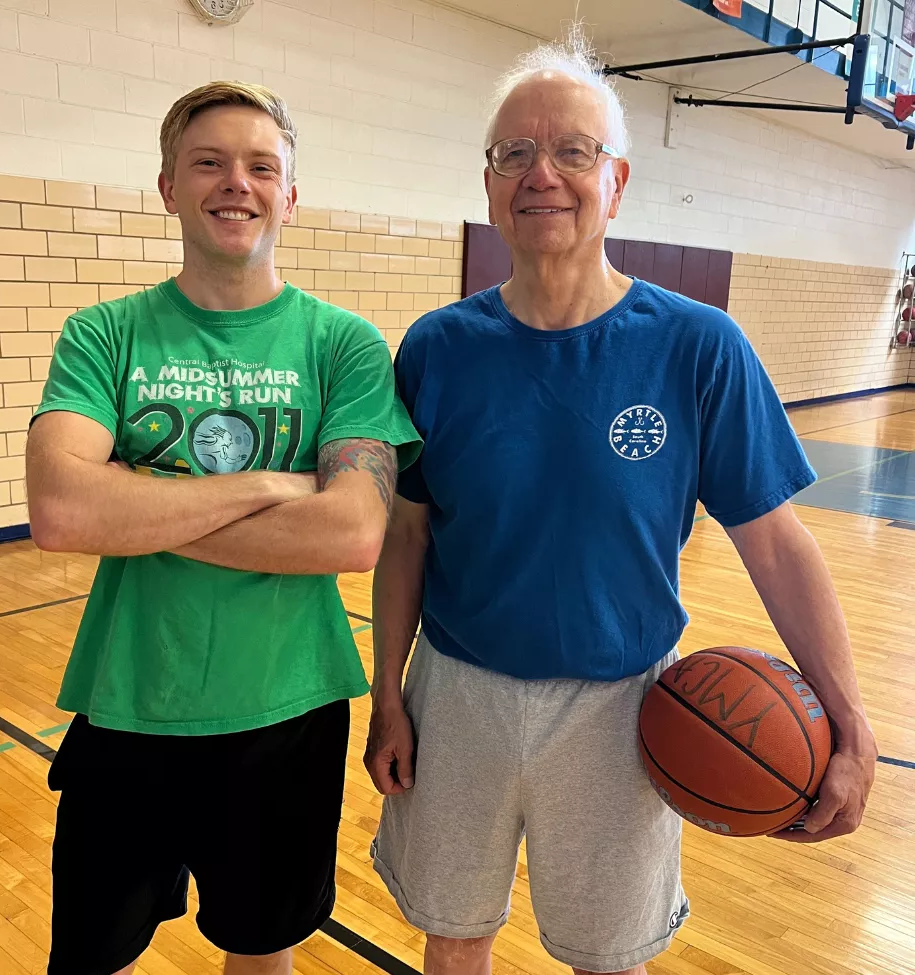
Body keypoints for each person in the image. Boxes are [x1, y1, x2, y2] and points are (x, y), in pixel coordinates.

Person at [363, 33, 879, 975]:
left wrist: (849, 717)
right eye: (514, 153)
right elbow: (408, 532)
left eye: (572, 151)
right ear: (488, 185)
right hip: (458, 689)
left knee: (610, 957)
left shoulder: (698, 346)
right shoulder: (437, 346)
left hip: (624, 706)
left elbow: (776, 544)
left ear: (617, 180)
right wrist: (386, 692)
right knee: (454, 934)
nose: (541, 175)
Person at [26, 81, 420, 975]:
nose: (233, 183)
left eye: (259, 166)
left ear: (289, 195)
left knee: (260, 947)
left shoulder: (344, 345)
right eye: (207, 162)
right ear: (167, 184)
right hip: (131, 699)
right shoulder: (104, 335)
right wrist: (276, 486)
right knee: (90, 953)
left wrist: (134, 502)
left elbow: (353, 534)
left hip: (288, 708)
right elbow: (60, 509)